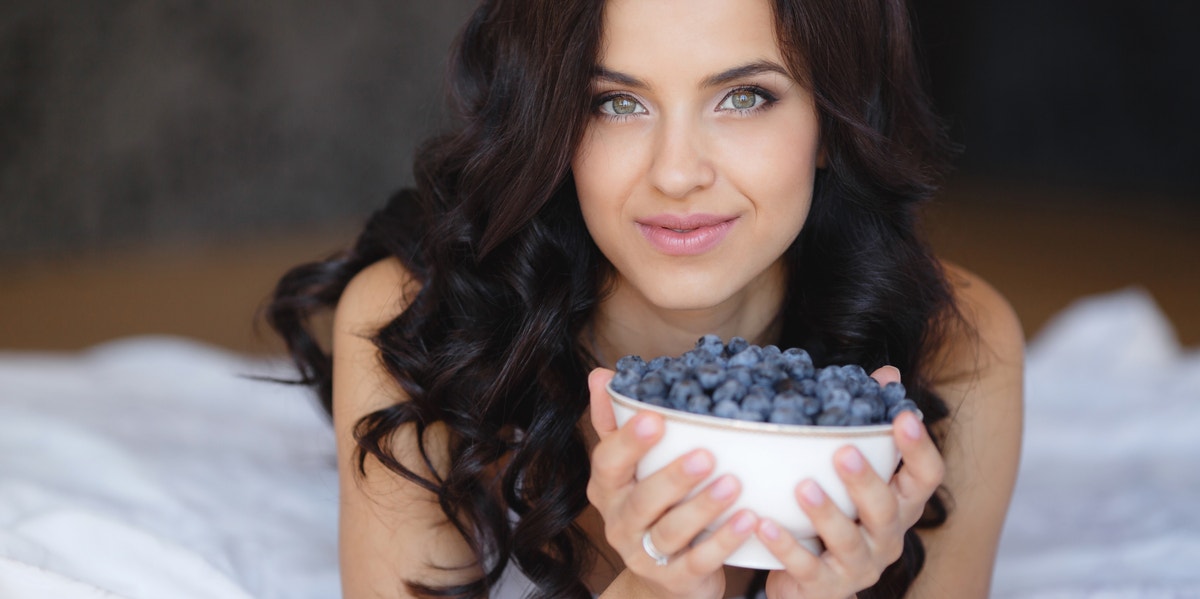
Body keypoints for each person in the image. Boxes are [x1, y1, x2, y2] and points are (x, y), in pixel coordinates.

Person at [267, 0, 1024, 596]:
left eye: (745, 97)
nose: (677, 173)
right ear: (554, 122)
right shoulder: (419, 335)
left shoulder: (953, 346)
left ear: (831, 119)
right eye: (617, 104)